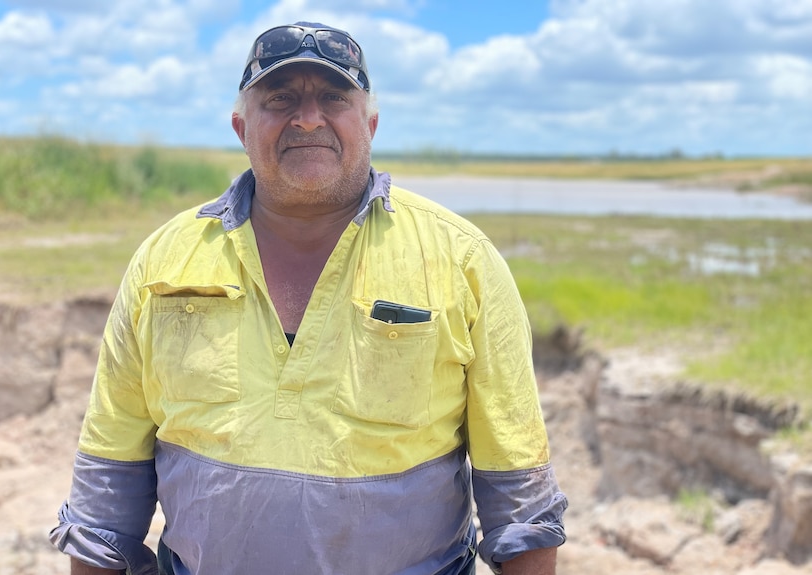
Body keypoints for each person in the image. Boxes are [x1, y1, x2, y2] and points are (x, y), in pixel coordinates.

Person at [50, 21, 567, 575]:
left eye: (333, 96)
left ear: (370, 123)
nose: (307, 117)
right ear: (240, 127)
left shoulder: (462, 258)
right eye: (280, 98)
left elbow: (519, 496)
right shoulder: (164, 261)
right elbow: (108, 486)